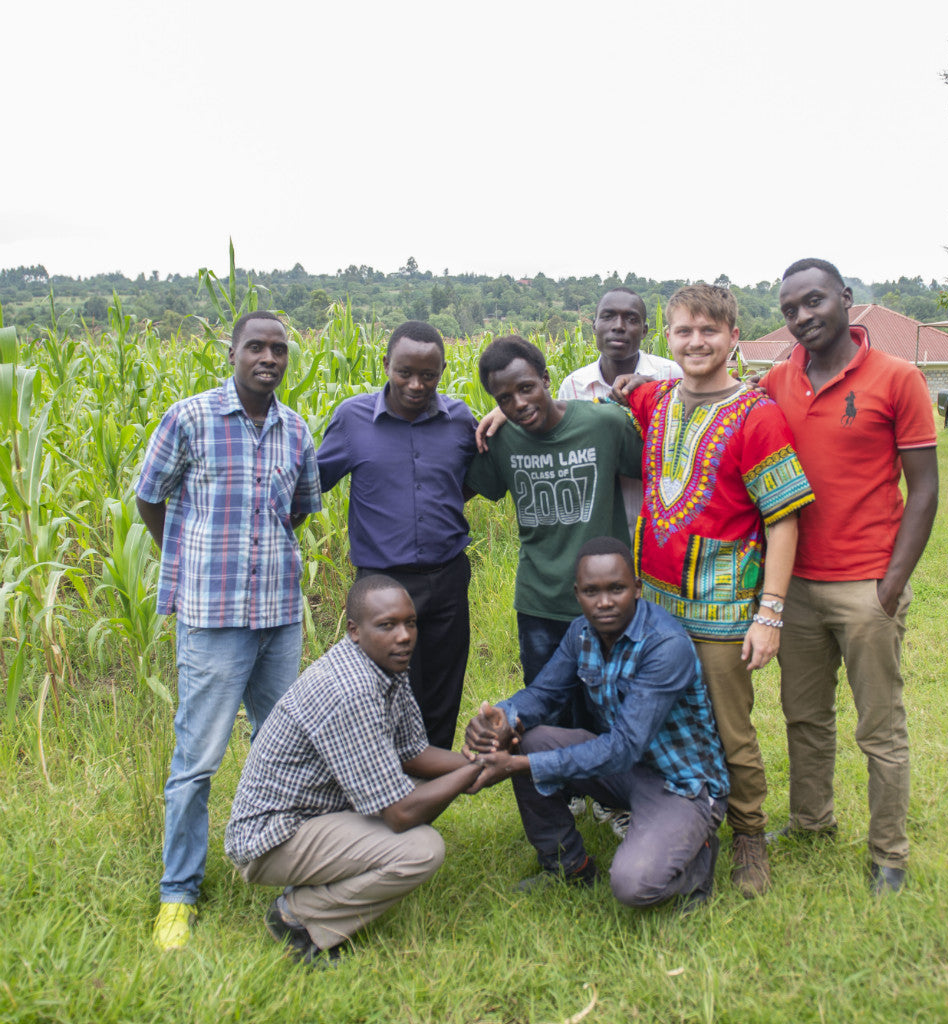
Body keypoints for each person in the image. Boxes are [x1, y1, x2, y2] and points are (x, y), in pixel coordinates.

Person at [615, 284, 814, 897]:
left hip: (724, 610)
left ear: (733, 338)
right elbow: (583, 405)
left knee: (731, 727)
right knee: (663, 719)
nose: (696, 342)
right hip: (655, 606)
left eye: (709, 331)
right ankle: (682, 822)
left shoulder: (757, 416)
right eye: (683, 332)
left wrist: (770, 615)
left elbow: (783, 518)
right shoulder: (654, 400)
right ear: (667, 341)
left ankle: (749, 835)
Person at [135, 310, 322, 951]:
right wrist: (187, 564)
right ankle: (178, 894)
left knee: (284, 753)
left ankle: (286, 874)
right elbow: (148, 495)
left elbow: (299, 508)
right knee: (198, 760)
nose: (268, 358)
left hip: (278, 615)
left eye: (279, 349)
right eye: (256, 347)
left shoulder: (296, 429)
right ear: (233, 352)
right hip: (212, 617)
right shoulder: (190, 418)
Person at [763, 258, 938, 894]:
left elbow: (924, 490)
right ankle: (813, 821)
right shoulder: (778, 380)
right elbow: (710, 403)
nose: (803, 317)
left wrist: (891, 583)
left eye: (813, 302)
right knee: (804, 717)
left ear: (844, 297)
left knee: (879, 728)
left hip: (867, 586)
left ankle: (889, 852)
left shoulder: (898, 378)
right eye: (789, 310)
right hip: (797, 587)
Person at [225, 576, 485, 965]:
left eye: (410, 623)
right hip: (273, 836)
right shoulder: (353, 689)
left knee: (412, 788)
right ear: (354, 630)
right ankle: (298, 918)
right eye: (387, 625)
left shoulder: (384, 664)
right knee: (421, 849)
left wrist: (482, 760)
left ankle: (318, 892)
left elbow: (411, 753)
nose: (404, 636)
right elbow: (399, 815)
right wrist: (476, 771)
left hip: (316, 813)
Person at [464, 538, 728, 909]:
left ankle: (697, 851)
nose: (604, 602)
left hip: (681, 784)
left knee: (633, 886)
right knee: (523, 740)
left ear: (637, 589)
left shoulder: (665, 645)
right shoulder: (582, 633)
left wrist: (520, 767)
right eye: (591, 591)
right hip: (625, 770)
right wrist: (501, 719)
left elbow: (622, 747)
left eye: (616, 589)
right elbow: (544, 694)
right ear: (577, 594)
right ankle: (568, 866)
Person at [316, 321, 478, 750]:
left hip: (446, 575)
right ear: (386, 364)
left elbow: (480, 472)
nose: (416, 384)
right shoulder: (352, 419)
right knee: (382, 689)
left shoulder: (459, 420)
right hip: (381, 583)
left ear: (443, 371)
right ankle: (385, 785)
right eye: (404, 371)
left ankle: (432, 791)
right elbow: (314, 481)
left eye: (429, 375)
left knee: (443, 687)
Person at [464, 336, 642, 688]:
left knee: (611, 710)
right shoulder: (500, 440)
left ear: (546, 379)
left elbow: (664, 464)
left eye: (527, 388)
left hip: (608, 599)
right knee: (546, 708)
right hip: (539, 604)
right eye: (504, 399)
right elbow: (458, 493)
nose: (520, 404)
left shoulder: (603, 424)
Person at [557, 288, 682, 530]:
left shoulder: (671, 375)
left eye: (631, 319)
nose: (619, 326)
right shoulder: (574, 386)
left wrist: (653, 391)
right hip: (598, 529)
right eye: (608, 316)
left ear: (645, 331)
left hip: (661, 530)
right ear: (594, 325)